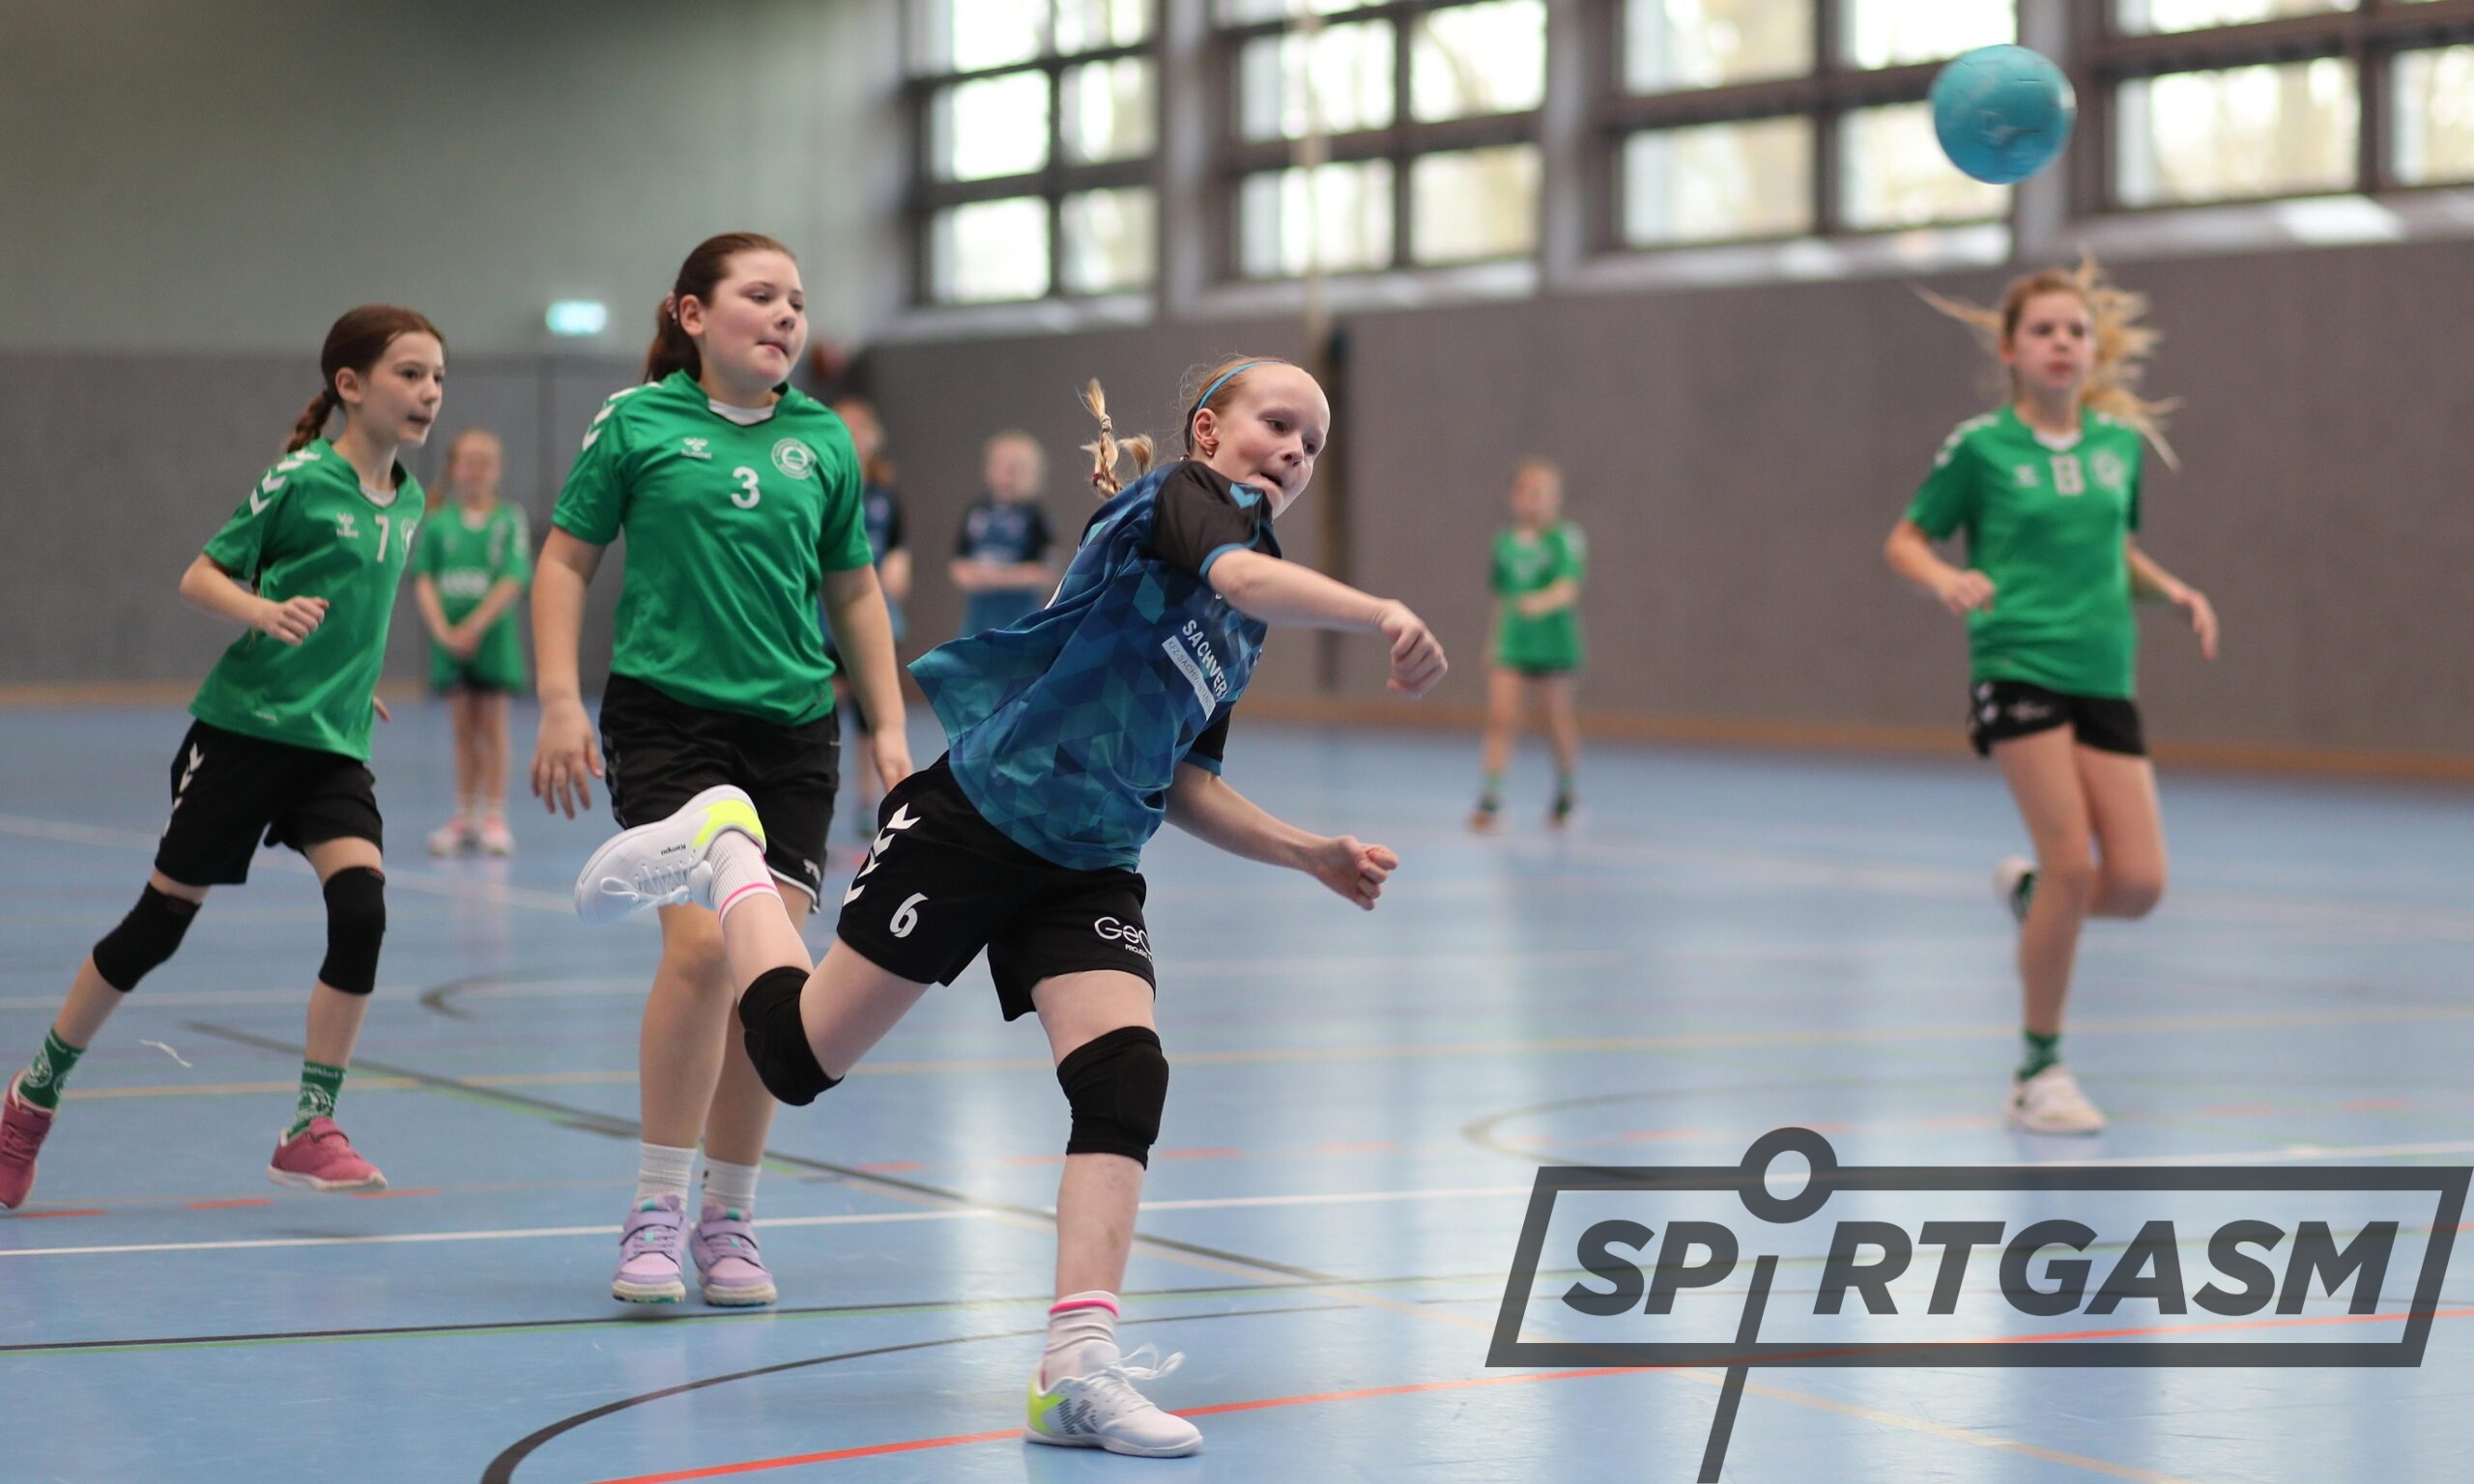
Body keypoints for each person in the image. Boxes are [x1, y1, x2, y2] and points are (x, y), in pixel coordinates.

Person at [570, 357, 1445, 1455]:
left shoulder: (1240, 627)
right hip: (980, 818)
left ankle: (1075, 1369)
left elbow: (1184, 780)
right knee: (792, 1058)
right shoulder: (1181, 504)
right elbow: (1239, 575)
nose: (1294, 453)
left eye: (1313, 446)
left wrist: (1305, 852)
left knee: (1124, 1078)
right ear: (1207, 430)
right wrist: (1381, 611)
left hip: (1092, 862)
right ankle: (728, 849)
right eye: (1278, 424)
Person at [529, 233, 908, 1304]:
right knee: (699, 953)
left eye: (798, 300)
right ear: (692, 314)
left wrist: (887, 725)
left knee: (767, 977)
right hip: (670, 721)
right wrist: (557, 700)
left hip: (793, 732)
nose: (786, 315)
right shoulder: (636, 423)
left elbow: (853, 591)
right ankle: (654, 1207)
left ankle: (728, 1217)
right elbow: (564, 560)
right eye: (761, 295)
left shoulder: (823, 440)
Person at [1, 305, 446, 1208]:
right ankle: (30, 1100)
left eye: (439, 375)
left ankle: (309, 1126)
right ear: (351, 385)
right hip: (244, 733)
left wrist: (350, 681)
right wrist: (265, 614)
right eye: (409, 373)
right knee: (157, 927)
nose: (429, 391)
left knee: (361, 911)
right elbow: (200, 575)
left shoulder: (410, 499)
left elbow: (357, 620)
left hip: (331, 747)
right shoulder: (301, 480)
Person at [1884, 259, 2218, 1135]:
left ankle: (2035, 897)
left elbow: (2115, 551)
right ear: (2010, 350)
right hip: (2018, 662)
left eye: (2075, 330)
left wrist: (2173, 591)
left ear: (2093, 349)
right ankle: (2039, 1071)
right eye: (2043, 331)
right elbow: (1906, 539)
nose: (2062, 343)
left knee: (2137, 884)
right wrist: (1945, 579)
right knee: (2073, 863)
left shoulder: (2119, 448)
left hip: (2104, 670)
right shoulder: (1980, 448)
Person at [413, 428, 530, 855]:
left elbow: (514, 577)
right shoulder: (437, 521)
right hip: (450, 643)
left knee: (493, 727)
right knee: (462, 729)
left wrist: (475, 625)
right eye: (469, 461)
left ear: (498, 470)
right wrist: (443, 631)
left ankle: (494, 816)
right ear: (452, 468)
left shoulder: (508, 520)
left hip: (493, 641)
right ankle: (464, 815)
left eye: (486, 462)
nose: (477, 470)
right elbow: (423, 577)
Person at [1469, 459, 1587, 831]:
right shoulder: (1505, 541)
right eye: (1524, 491)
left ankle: (1566, 790)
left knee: (1553, 719)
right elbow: (1502, 596)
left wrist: (1540, 602)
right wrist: (1494, 641)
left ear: (1555, 498)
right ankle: (1490, 798)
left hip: (1552, 644)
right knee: (1501, 717)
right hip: (1513, 643)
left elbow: (1568, 588)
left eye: (1539, 493)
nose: (1531, 500)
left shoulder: (1564, 539)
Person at [820, 396, 909, 828]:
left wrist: (898, 563)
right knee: (824, 699)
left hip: (873, 610)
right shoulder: (823, 486)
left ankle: (868, 799)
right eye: (845, 430)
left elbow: (897, 544)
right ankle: (818, 787)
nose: (854, 439)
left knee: (870, 708)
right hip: (825, 614)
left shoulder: (884, 493)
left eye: (861, 431)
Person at [949, 429, 1054, 637]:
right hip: (978, 619)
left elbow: (1046, 571)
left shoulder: (1035, 516)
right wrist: (977, 576)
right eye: (999, 465)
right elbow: (958, 565)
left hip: (1019, 619)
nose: (1005, 475)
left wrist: (1000, 577)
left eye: (1014, 468)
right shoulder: (977, 512)